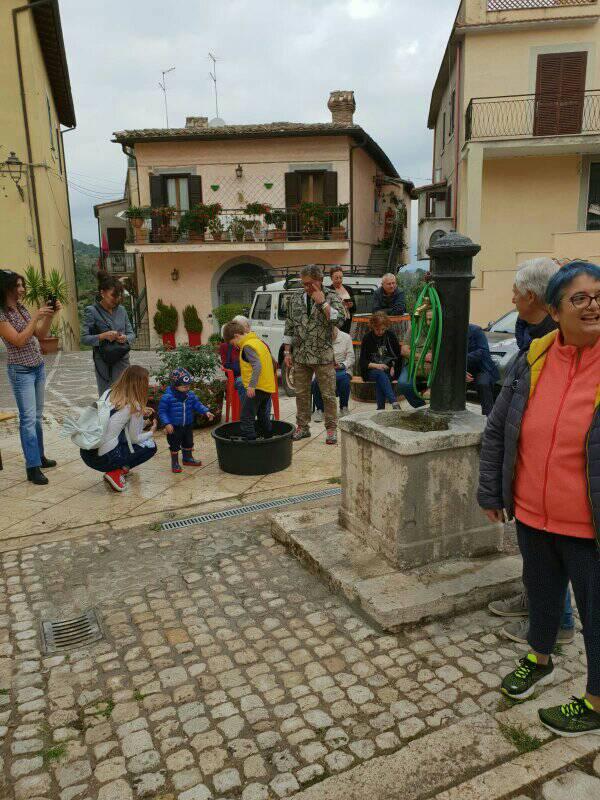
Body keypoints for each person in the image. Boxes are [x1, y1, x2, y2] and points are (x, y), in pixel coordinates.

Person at [478, 260, 600, 737]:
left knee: (596, 614)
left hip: (588, 525)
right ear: (554, 310)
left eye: (599, 297)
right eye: (580, 298)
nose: (592, 306)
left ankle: (596, 702)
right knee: (543, 594)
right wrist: (493, 490)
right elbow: (498, 429)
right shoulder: (533, 358)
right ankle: (540, 658)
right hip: (533, 513)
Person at [488, 257, 575, 645]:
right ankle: (536, 601)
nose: (512, 298)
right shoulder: (530, 337)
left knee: (554, 551)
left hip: (555, 472)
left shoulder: (561, 342)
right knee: (537, 551)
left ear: (533, 297)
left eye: (516, 292)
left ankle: (559, 624)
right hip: (529, 467)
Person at [0, 269, 61, 485]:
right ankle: (32, 467)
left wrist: (49, 315)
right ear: (6, 288)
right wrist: (35, 316)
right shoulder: (2, 314)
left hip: (37, 367)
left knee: (36, 417)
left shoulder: (22, 308)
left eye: (22, 285)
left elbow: (40, 335)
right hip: (21, 371)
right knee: (27, 419)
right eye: (17, 286)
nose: (22, 289)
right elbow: (18, 340)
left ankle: (39, 457)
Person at [283, 265, 345, 445]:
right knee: (301, 393)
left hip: (322, 355)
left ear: (320, 280)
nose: (306, 287)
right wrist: (287, 351)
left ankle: (331, 429)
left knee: (328, 395)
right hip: (300, 355)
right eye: (304, 284)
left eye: (309, 283)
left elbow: (340, 321)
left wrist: (323, 303)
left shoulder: (331, 296)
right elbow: (289, 325)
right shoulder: (295, 298)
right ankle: (303, 427)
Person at [80, 365, 158, 492]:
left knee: (119, 438)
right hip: (104, 459)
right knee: (150, 445)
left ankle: (116, 470)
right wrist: (151, 431)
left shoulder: (109, 392)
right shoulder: (134, 406)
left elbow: (114, 419)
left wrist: (141, 413)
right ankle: (116, 472)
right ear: (140, 385)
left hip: (87, 452)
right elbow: (134, 438)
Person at [82, 271, 135, 395]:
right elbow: (84, 338)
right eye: (113, 295)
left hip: (122, 359)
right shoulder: (91, 311)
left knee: (124, 395)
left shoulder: (122, 310)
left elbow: (132, 334)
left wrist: (125, 338)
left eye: (119, 296)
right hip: (103, 361)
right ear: (102, 293)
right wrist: (103, 336)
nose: (116, 299)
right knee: (106, 396)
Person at [223, 320, 276, 441]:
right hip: (267, 387)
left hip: (256, 388)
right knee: (262, 415)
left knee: (246, 416)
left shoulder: (247, 346)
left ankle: (250, 441)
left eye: (233, 343)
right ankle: (269, 438)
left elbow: (257, 366)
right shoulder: (258, 342)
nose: (234, 346)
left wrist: (252, 386)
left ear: (236, 336)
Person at [158, 368, 214, 473]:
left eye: (188, 386)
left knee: (188, 442)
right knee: (174, 444)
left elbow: (197, 404)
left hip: (187, 424)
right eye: (184, 386)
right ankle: (175, 463)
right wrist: (167, 423)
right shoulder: (167, 397)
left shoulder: (190, 395)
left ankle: (187, 458)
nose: (187, 388)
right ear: (175, 385)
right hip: (174, 426)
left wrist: (206, 411)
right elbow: (162, 412)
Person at [359, 311, 403, 410]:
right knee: (380, 374)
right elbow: (362, 362)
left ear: (386, 327)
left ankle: (380, 409)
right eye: (377, 329)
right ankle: (394, 402)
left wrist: (394, 367)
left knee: (382, 378)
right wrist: (377, 366)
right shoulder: (367, 338)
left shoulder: (391, 336)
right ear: (372, 327)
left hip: (388, 370)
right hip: (371, 370)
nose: (380, 332)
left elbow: (398, 356)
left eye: (383, 329)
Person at [312, 326, 354, 421]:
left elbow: (351, 358)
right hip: (324, 369)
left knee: (344, 380)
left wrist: (342, 365)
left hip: (341, 368)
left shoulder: (346, 337)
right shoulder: (320, 337)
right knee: (316, 382)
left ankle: (344, 407)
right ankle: (320, 409)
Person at [466, 323, 500, 417]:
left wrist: (462, 359)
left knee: (483, 384)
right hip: (462, 368)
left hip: (481, 368)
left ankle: (489, 415)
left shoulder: (476, 330)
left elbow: (483, 351)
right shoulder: (450, 332)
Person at [330, 266, 356, 334]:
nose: (339, 280)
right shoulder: (329, 291)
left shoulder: (349, 289)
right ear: (331, 278)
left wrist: (351, 306)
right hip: (335, 323)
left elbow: (354, 309)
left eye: (341, 278)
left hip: (347, 322)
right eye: (336, 278)